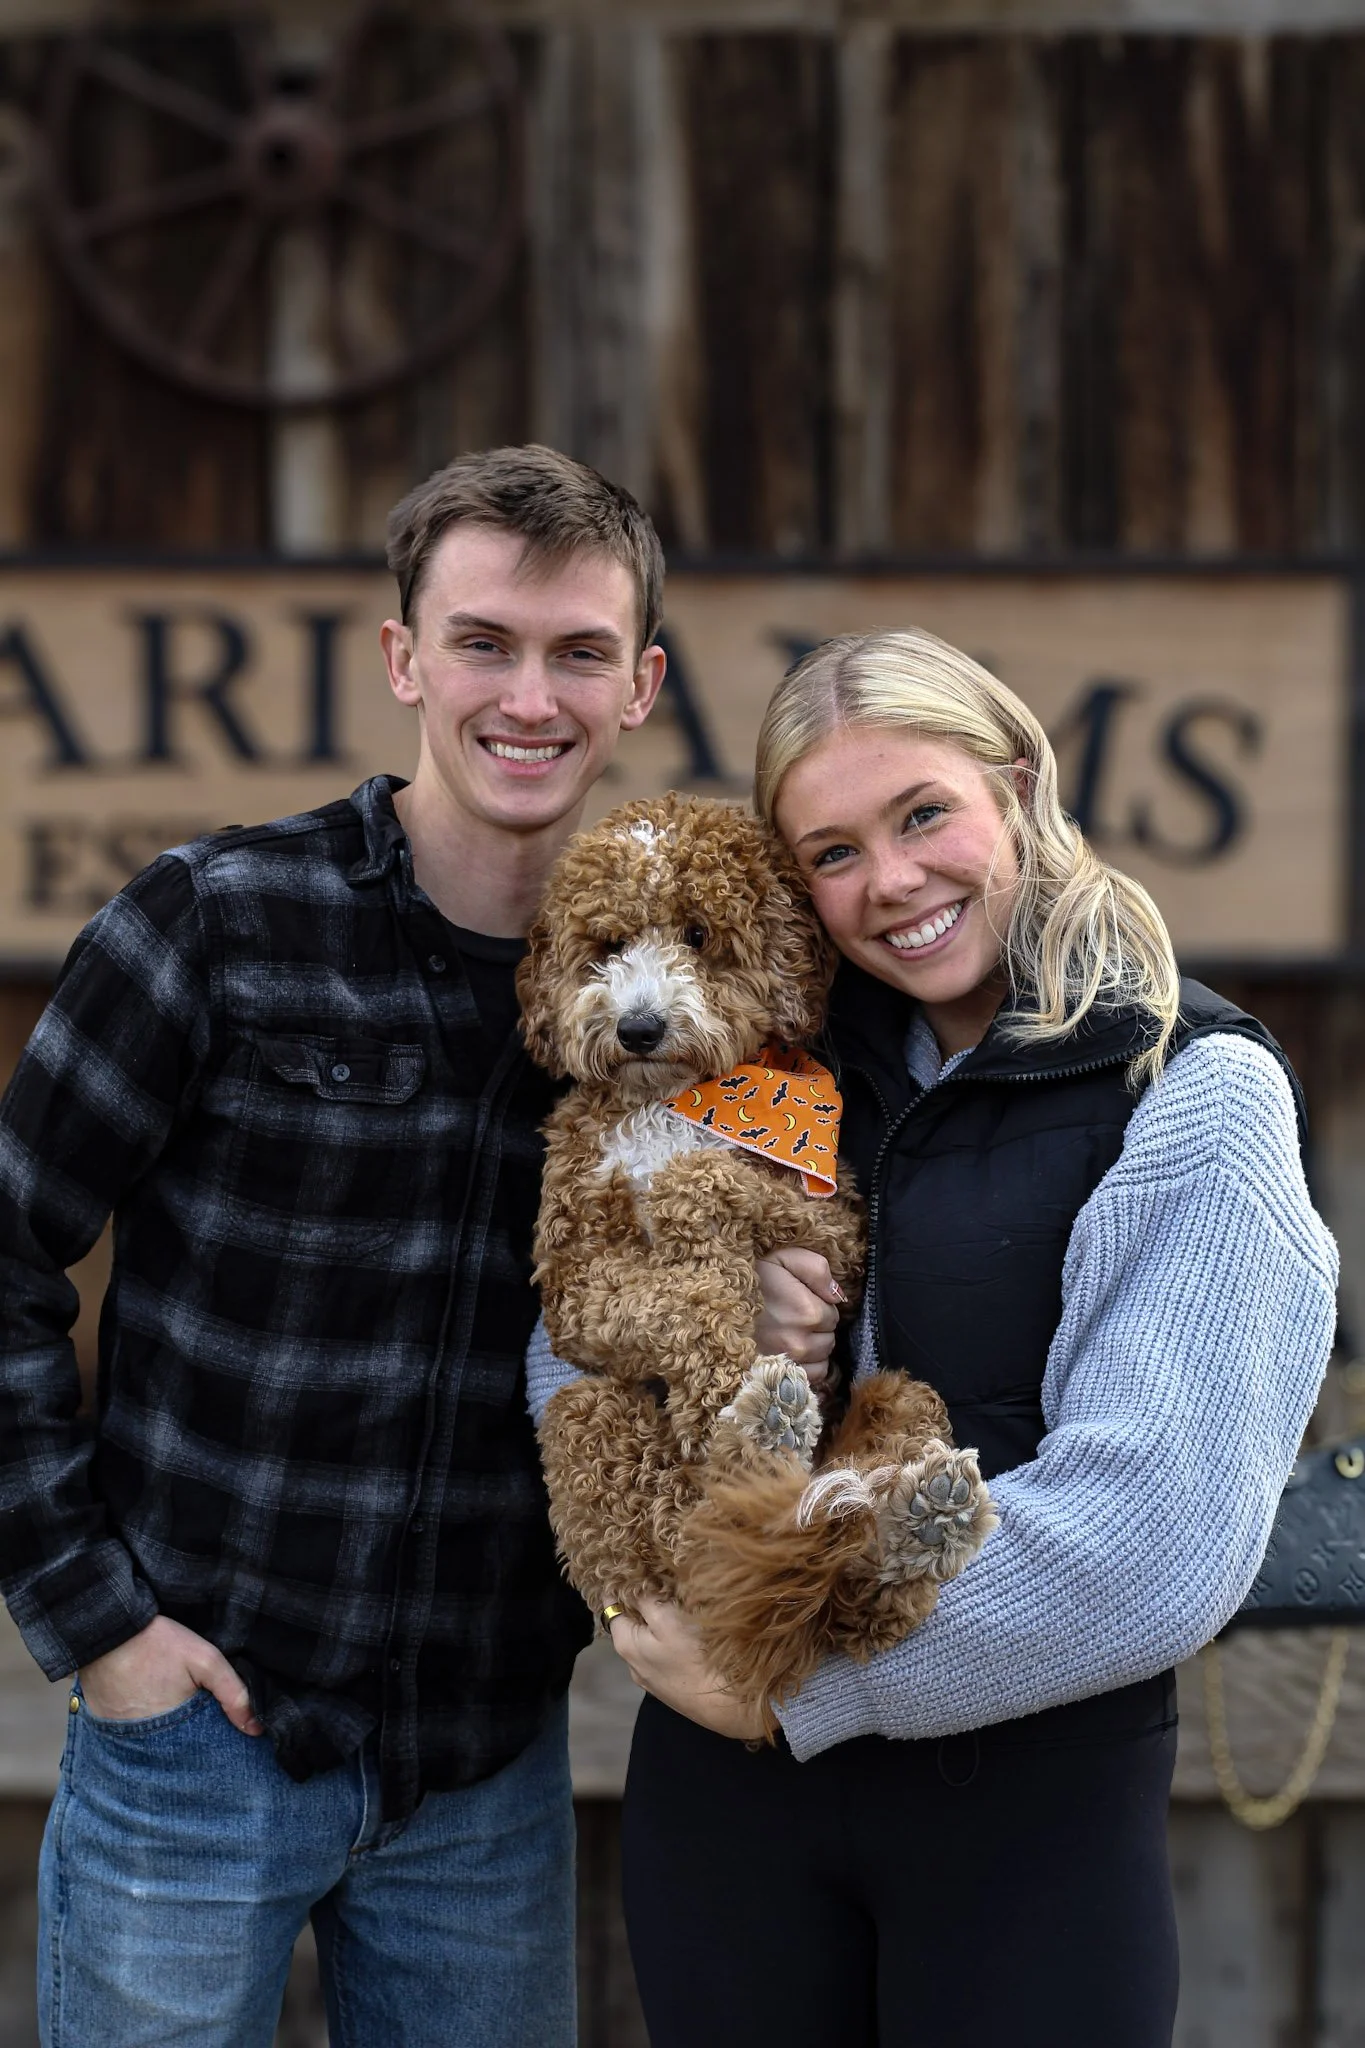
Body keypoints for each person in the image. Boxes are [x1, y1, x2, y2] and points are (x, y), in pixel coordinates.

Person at [535, 629, 1339, 2048]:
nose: (892, 883)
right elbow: (576, 1307)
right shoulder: (760, 1058)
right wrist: (633, 1590)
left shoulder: (1188, 1090)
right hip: (727, 1812)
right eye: (832, 852)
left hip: (1021, 1811)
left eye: (923, 815)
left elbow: (1154, 1536)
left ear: (1017, 787)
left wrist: (791, 1683)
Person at [0, 444, 682, 2048]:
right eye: (483, 643)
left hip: (483, 1767)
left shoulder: (656, 1004)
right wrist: (96, 1621)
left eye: (580, 651)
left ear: (641, 684)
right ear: (402, 660)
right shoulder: (215, 922)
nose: (531, 695)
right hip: (196, 1737)